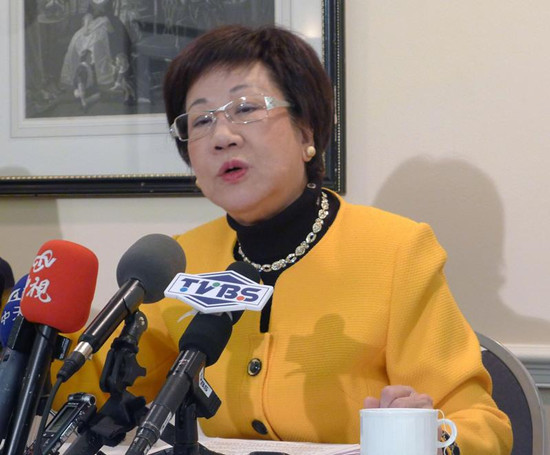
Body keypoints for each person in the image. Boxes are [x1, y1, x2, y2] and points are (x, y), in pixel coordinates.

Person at [56, 25, 512, 454]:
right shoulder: (179, 260)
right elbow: (96, 389)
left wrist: (429, 437)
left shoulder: (396, 251)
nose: (221, 136)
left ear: (306, 130)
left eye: (246, 109)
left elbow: (481, 423)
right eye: (201, 120)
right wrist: (34, 334)